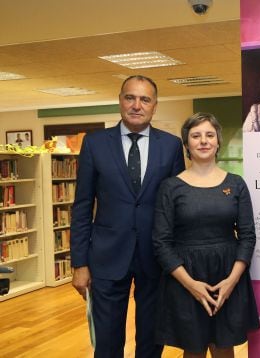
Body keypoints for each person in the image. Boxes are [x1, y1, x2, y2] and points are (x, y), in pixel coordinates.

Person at [70, 75, 185, 357]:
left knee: (151, 339)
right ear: (120, 100)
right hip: (106, 257)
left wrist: (178, 262)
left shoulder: (170, 146)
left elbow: (177, 207)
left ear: (154, 106)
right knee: (107, 342)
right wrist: (79, 263)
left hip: (155, 257)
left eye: (144, 99)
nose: (137, 105)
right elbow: (82, 206)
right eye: (130, 97)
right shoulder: (95, 144)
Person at [153, 112, 259, 357]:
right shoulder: (170, 187)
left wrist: (231, 282)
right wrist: (191, 285)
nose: (203, 141)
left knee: (224, 349)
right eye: (196, 135)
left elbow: (247, 236)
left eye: (209, 135)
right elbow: (161, 243)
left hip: (227, 276)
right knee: (193, 350)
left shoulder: (236, 183)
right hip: (185, 279)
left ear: (218, 141)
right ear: (186, 143)